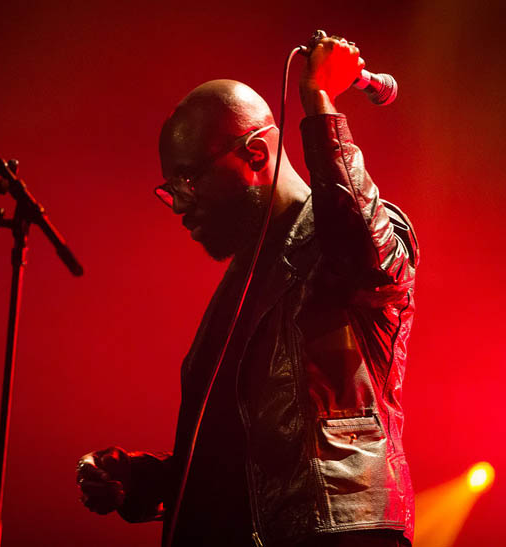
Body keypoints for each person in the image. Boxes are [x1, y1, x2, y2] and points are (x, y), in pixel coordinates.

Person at [76, 36, 419, 547]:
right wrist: (154, 480)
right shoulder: (244, 278)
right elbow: (254, 463)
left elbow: (363, 254)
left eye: (187, 180)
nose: (177, 204)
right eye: (171, 187)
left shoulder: (354, 240)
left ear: (256, 153)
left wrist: (320, 103)